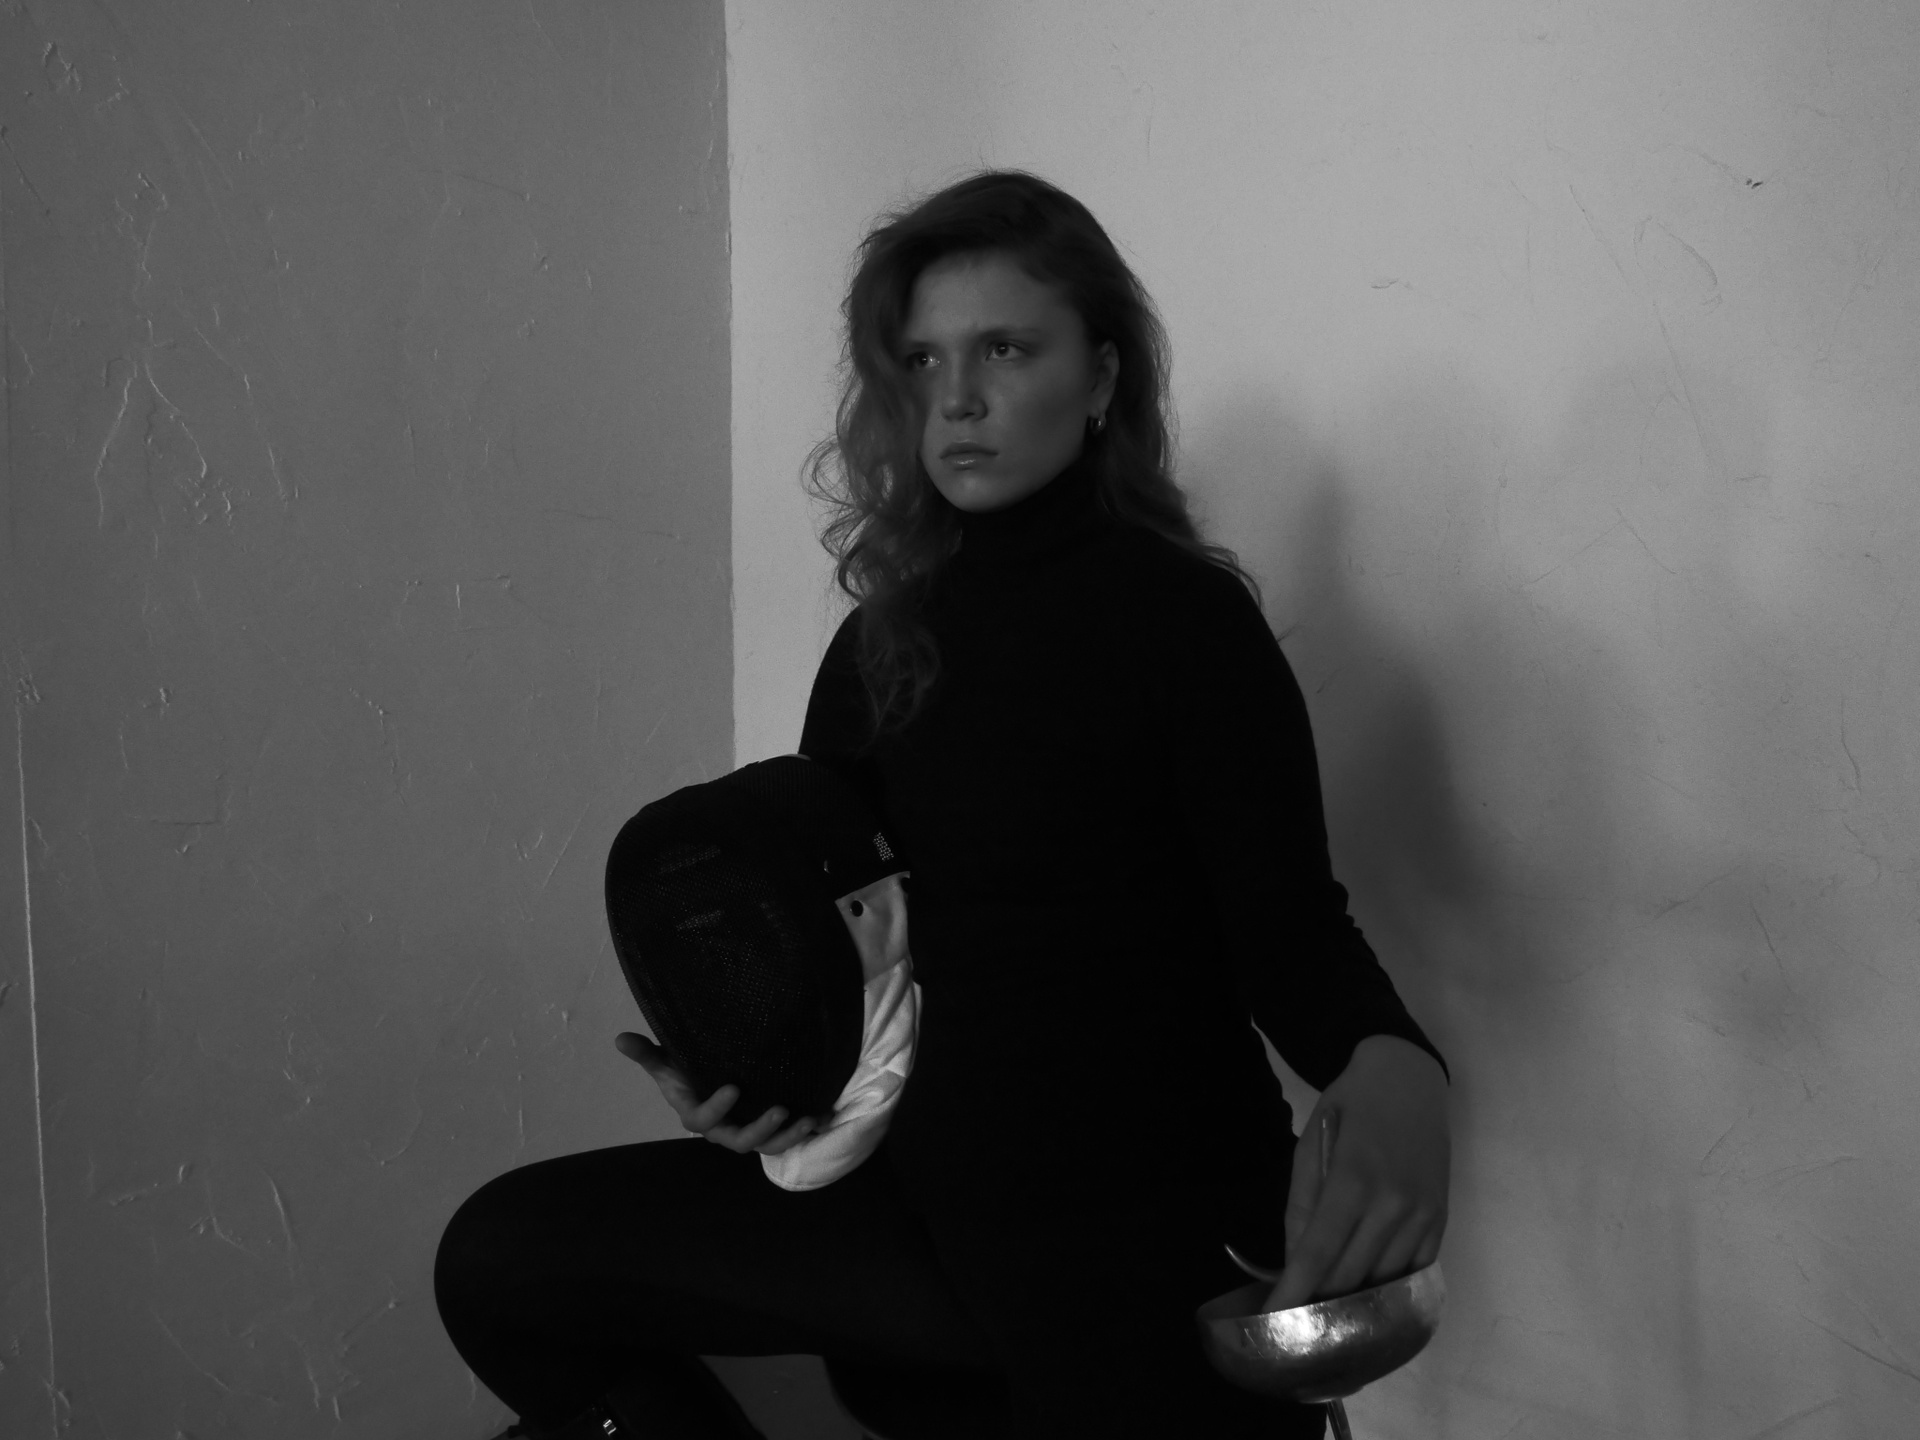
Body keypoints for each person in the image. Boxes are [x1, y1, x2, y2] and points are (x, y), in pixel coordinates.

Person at [434, 170, 1451, 1440]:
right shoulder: (881, 646)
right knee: (504, 1263)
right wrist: (760, 1083)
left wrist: (1399, 1065)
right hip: (922, 1189)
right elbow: (840, 959)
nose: (956, 397)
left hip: (1129, 1206)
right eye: (921, 360)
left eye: (1005, 350)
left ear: (1102, 376)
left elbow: (1293, 938)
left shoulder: (1184, 624)